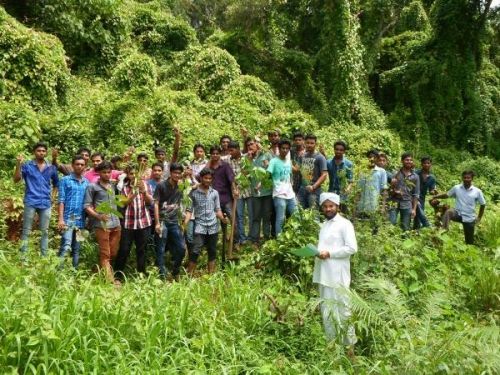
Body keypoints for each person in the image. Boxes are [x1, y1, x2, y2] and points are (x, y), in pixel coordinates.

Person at [314, 192, 357, 353]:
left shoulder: (345, 224)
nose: (328, 209)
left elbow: (352, 248)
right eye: (325, 206)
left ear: (337, 206)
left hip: (338, 276)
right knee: (327, 313)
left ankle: (350, 350)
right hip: (323, 275)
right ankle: (332, 349)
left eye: (331, 206)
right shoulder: (324, 225)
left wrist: (330, 254)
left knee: (343, 311)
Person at [14, 142, 59, 258]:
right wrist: (18, 164)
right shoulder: (27, 166)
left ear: (46, 153)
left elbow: (56, 184)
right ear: (34, 152)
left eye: (44, 151)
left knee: (44, 232)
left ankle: (43, 259)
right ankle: (23, 258)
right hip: (31, 201)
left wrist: (53, 198)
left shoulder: (51, 167)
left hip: (46, 203)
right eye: (39, 151)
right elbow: (16, 179)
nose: (41, 153)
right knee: (26, 230)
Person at [184, 168, 228, 275]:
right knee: (195, 250)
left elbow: (217, 209)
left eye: (210, 178)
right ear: (201, 178)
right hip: (200, 226)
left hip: (213, 226)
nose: (208, 180)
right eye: (205, 178)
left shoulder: (214, 193)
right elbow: (189, 211)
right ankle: (190, 275)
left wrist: (223, 219)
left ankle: (211, 276)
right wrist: (184, 224)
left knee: (212, 251)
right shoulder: (193, 193)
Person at [84, 161, 121, 283]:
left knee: (113, 252)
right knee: (105, 254)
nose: (107, 174)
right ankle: (110, 282)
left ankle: (98, 270)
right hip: (102, 225)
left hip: (116, 223)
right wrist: (98, 216)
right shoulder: (92, 187)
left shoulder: (114, 185)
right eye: (104, 172)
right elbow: (87, 206)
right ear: (99, 173)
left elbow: (126, 176)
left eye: (109, 172)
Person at [114, 164, 154, 279]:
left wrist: (144, 192)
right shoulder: (124, 187)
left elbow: (150, 202)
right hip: (128, 224)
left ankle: (141, 274)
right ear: (128, 175)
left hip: (144, 223)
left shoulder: (146, 185)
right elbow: (122, 203)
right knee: (124, 249)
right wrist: (133, 194)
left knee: (142, 249)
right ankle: (118, 275)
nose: (134, 176)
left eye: (136, 174)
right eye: (131, 174)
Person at [434, 171, 486, 245]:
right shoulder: (457, 188)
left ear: (472, 179)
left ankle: (468, 251)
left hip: (469, 217)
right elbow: (447, 195)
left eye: (468, 178)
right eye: (464, 178)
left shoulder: (477, 191)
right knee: (449, 212)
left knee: (469, 242)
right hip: (457, 213)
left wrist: (479, 218)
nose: (466, 179)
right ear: (462, 178)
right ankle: (443, 231)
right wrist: (436, 196)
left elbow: (483, 204)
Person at [154, 163, 186, 280]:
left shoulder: (181, 186)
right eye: (175, 173)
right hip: (162, 220)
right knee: (161, 248)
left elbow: (182, 203)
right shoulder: (161, 185)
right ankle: (162, 275)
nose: (177, 175)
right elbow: (156, 204)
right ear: (171, 173)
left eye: (179, 173)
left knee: (182, 248)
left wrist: (182, 221)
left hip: (174, 222)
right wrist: (157, 222)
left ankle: (175, 271)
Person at [57, 155, 89, 269]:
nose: (79, 166)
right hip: (68, 218)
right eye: (77, 164)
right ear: (72, 165)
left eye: (82, 164)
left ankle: (74, 273)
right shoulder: (65, 180)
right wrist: (60, 219)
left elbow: (88, 202)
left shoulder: (87, 182)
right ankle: (58, 272)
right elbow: (61, 200)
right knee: (66, 245)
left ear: (85, 166)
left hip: (81, 219)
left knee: (77, 248)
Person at [206, 145, 237, 251]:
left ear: (220, 154)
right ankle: (220, 243)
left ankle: (234, 242)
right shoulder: (208, 167)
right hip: (213, 200)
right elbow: (199, 177)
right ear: (210, 155)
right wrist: (207, 164)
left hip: (226, 198)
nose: (215, 155)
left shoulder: (225, 166)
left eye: (217, 153)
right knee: (218, 222)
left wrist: (234, 190)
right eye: (213, 153)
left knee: (233, 220)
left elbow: (231, 179)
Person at [247, 137, 273, 246]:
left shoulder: (266, 155)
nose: (250, 146)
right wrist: (248, 161)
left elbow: (271, 171)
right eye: (248, 145)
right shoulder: (248, 158)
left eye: (252, 144)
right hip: (255, 193)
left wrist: (261, 183)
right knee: (256, 216)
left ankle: (266, 238)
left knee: (266, 216)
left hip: (267, 191)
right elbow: (246, 174)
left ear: (258, 144)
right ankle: (255, 240)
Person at [267, 139, 296, 236]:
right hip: (279, 194)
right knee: (280, 218)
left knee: (295, 215)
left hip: (290, 194)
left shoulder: (288, 161)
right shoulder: (273, 161)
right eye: (283, 148)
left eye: (287, 148)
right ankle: (279, 239)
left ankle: (293, 236)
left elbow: (290, 175)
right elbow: (267, 175)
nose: (285, 150)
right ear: (279, 149)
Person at [355, 150, 388, 234]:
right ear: (367, 158)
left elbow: (384, 190)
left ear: (377, 159)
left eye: (374, 157)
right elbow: (358, 190)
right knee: (361, 228)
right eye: (370, 157)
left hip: (374, 206)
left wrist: (382, 206)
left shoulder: (381, 172)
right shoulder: (362, 171)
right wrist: (355, 206)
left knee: (374, 229)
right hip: (362, 206)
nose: (372, 159)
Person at [228, 141, 252, 246]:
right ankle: (242, 238)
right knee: (240, 216)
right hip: (237, 192)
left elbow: (248, 172)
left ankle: (251, 237)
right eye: (229, 150)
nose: (230, 152)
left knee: (252, 215)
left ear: (238, 149)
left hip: (249, 191)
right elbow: (231, 178)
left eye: (232, 150)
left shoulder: (246, 157)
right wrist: (234, 189)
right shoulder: (228, 161)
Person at [389, 153, 420, 231]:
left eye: (410, 160)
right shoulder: (395, 173)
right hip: (394, 201)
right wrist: (393, 188)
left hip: (407, 203)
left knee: (405, 227)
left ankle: (403, 241)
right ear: (402, 161)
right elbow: (390, 190)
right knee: (390, 223)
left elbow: (416, 194)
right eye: (407, 160)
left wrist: (414, 209)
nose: (409, 161)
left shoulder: (415, 176)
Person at [297, 134, 328, 208]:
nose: (309, 145)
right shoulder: (302, 156)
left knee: (313, 214)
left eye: (312, 143)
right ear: (304, 143)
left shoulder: (320, 157)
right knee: (298, 211)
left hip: (314, 190)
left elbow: (324, 174)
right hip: (302, 188)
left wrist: (313, 187)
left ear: (315, 144)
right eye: (307, 143)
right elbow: (297, 169)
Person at [327, 140, 354, 213]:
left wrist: (348, 189)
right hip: (331, 192)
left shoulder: (348, 164)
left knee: (342, 214)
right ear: (334, 149)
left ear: (344, 151)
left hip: (343, 194)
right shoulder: (329, 162)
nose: (338, 151)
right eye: (337, 149)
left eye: (341, 150)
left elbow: (351, 181)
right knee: (331, 213)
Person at [413, 156, 437, 229]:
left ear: (430, 164)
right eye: (424, 163)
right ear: (421, 164)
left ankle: (416, 230)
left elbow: (431, 191)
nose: (426, 165)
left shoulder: (432, 178)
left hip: (422, 198)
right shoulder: (416, 173)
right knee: (418, 209)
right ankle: (426, 224)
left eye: (428, 163)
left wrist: (434, 192)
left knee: (418, 216)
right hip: (413, 196)